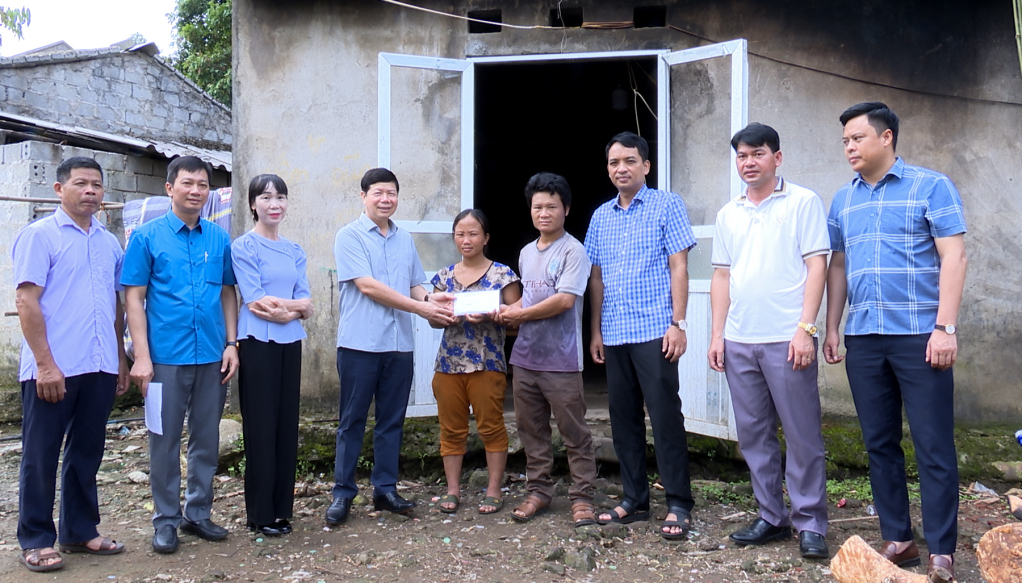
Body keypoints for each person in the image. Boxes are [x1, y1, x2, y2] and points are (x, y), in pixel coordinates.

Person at [824, 102, 966, 582]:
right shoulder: (843, 200)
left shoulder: (931, 186)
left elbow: (955, 256)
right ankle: (899, 538)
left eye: (857, 138)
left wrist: (945, 327)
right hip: (864, 338)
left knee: (932, 444)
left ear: (886, 138)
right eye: (844, 140)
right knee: (879, 442)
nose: (849, 147)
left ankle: (943, 549)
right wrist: (831, 325)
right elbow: (837, 267)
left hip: (920, 336)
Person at [707, 123, 830, 558]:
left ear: (777, 157)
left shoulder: (802, 202)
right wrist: (717, 335)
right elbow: (721, 276)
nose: (748, 162)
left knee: (802, 434)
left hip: (786, 338)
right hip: (740, 340)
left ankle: (811, 522)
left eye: (757, 154)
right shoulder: (729, 213)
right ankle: (771, 517)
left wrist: (806, 328)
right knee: (754, 434)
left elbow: (817, 266)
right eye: (741, 156)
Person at [13, 157, 129, 573]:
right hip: (53, 368)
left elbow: (115, 306)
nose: (91, 192)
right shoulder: (39, 236)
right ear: (59, 189)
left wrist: (120, 358)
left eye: (97, 185)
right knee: (40, 454)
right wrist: (45, 365)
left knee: (87, 450)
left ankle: (80, 529)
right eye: (81, 184)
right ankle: (37, 538)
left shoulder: (107, 242)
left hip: (97, 365)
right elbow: (26, 301)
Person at [122, 155, 239, 554]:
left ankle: (198, 513)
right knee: (164, 439)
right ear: (170, 188)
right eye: (188, 183)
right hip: (164, 359)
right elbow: (134, 299)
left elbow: (227, 292)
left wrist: (231, 344)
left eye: (202, 185)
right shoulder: (146, 236)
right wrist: (140, 355)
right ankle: (166, 520)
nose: (196, 191)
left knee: (206, 438)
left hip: (210, 354)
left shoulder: (218, 238)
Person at [327, 168, 456, 525]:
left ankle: (385, 489)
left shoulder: (404, 239)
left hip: (400, 345)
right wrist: (421, 307)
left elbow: (416, 284)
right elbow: (368, 286)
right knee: (352, 421)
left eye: (392, 193)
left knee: (391, 421)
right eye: (378, 193)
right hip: (360, 344)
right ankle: (343, 493)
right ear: (363, 196)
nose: (386, 199)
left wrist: (434, 298)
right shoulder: (349, 236)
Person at [584, 131, 696, 540]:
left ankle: (679, 503)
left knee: (665, 416)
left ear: (645, 165)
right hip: (614, 332)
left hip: (656, 329)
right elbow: (595, 278)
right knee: (623, 418)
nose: (621, 169)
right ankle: (634, 498)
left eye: (629, 161)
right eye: (614, 163)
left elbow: (678, 266)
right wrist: (594, 330)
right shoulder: (601, 215)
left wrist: (678, 323)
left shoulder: (667, 204)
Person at [500, 172, 598, 528]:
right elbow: (531, 296)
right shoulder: (527, 252)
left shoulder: (575, 250)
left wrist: (520, 313)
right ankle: (539, 491)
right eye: (537, 206)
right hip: (525, 357)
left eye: (551, 206)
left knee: (574, 432)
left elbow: (564, 300)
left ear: (566, 209)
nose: (544, 213)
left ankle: (583, 496)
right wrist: (507, 312)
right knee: (531, 429)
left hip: (562, 359)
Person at [232, 174, 312, 536]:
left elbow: (307, 303)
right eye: (266, 197)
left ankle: (282, 509)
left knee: (285, 425)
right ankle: (260, 513)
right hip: (257, 343)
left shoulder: (295, 250)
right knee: (261, 427)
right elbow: (255, 300)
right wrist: (289, 308)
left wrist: (287, 310)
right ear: (253, 204)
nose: (274, 203)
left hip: (290, 342)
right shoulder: (243, 247)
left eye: (280, 196)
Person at [430, 209, 521, 514]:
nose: (466, 240)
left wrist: (494, 315)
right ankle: (452, 490)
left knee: (491, 425)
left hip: (487, 362)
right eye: (460, 234)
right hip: (448, 364)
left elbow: (519, 320)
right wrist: (445, 314)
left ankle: (494, 489)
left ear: (486, 238)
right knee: (451, 429)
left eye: (473, 234)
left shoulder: (503, 275)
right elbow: (433, 321)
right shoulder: (443, 277)